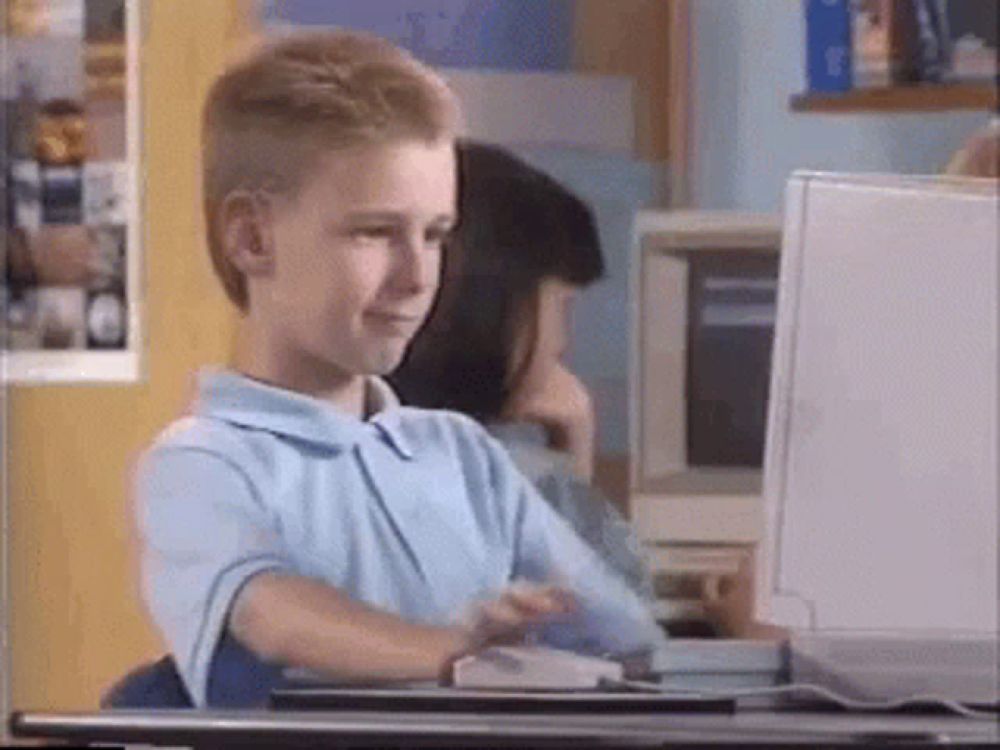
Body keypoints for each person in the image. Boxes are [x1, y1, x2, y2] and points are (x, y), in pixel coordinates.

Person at [132, 31, 666, 709]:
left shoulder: (464, 455)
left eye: (436, 235)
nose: (418, 277)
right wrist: (455, 653)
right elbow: (273, 617)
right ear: (252, 238)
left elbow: (621, 638)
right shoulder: (201, 464)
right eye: (375, 233)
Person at [389, 141, 654, 603]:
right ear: (495, 308)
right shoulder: (510, 474)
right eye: (560, 308)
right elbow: (628, 642)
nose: (562, 343)